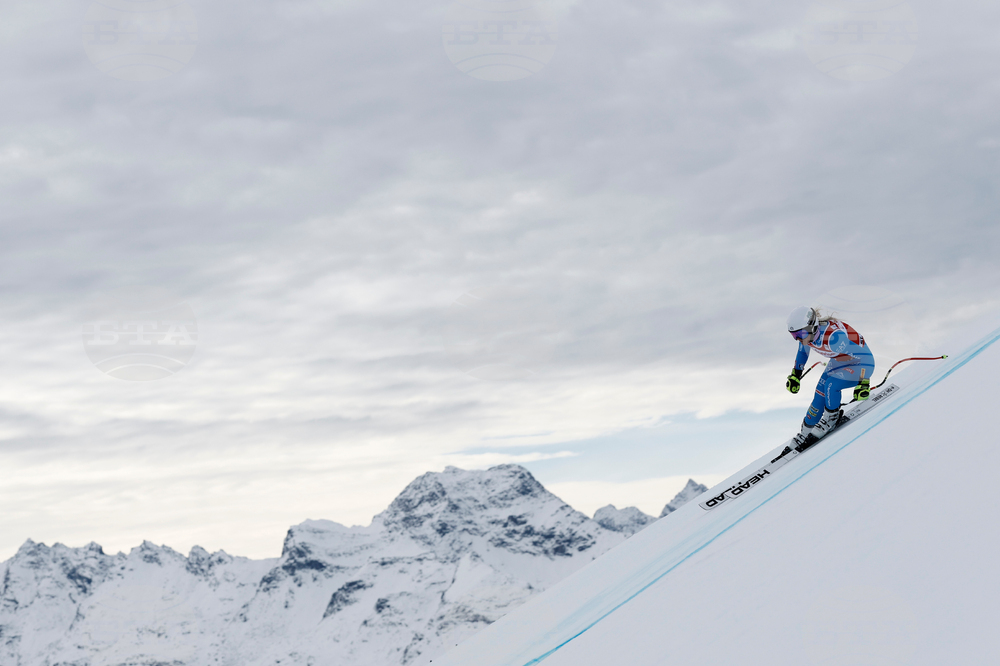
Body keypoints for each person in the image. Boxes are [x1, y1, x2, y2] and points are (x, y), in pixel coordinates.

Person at [785, 306, 874, 451]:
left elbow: (865, 357)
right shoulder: (808, 337)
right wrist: (796, 375)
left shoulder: (834, 338)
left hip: (862, 364)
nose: (798, 339)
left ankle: (831, 419)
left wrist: (864, 382)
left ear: (812, 326)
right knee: (819, 393)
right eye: (794, 336)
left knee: (831, 385)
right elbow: (803, 354)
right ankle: (804, 434)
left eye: (800, 334)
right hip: (840, 361)